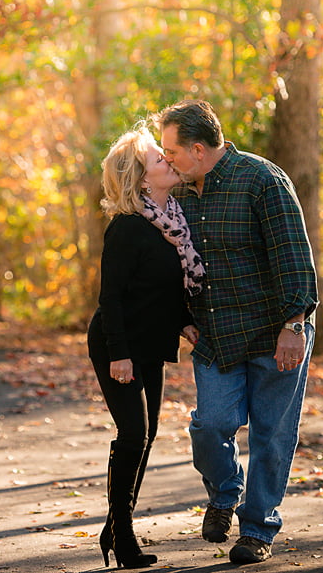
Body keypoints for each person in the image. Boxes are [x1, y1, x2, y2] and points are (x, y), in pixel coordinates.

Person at [153, 100, 319, 565]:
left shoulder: (262, 180)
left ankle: (257, 530)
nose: (166, 160)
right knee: (211, 426)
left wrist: (294, 325)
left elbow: (294, 258)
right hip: (215, 336)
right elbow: (171, 264)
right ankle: (225, 493)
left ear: (200, 149)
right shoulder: (179, 192)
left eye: (171, 151)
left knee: (272, 433)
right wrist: (179, 318)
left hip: (274, 332)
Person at [87, 123, 202, 569]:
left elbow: (162, 289)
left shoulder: (171, 222)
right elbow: (111, 298)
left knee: (147, 436)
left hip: (151, 343)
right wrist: (119, 354)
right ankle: (124, 538)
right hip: (119, 344)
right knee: (133, 433)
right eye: (159, 159)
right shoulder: (127, 229)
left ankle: (114, 529)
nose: (168, 161)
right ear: (139, 178)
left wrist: (185, 323)